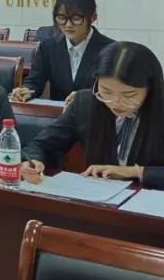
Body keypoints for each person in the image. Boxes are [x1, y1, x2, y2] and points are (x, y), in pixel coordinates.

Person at [21, 41, 164, 189]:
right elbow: (43, 144)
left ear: (151, 88)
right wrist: (33, 161)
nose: (116, 102)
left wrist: (135, 172)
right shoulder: (85, 103)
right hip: (100, 195)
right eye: (106, 91)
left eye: (129, 95)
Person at [11, 0, 114, 105]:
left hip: (92, 113)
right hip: (57, 113)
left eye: (76, 19)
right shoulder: (48, 46)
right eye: (62, 18)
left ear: (93, 17)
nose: (68, 25)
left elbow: (111, 91)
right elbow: (35, 81)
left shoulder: (109, 50)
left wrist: (84, 97)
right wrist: (25, 91)